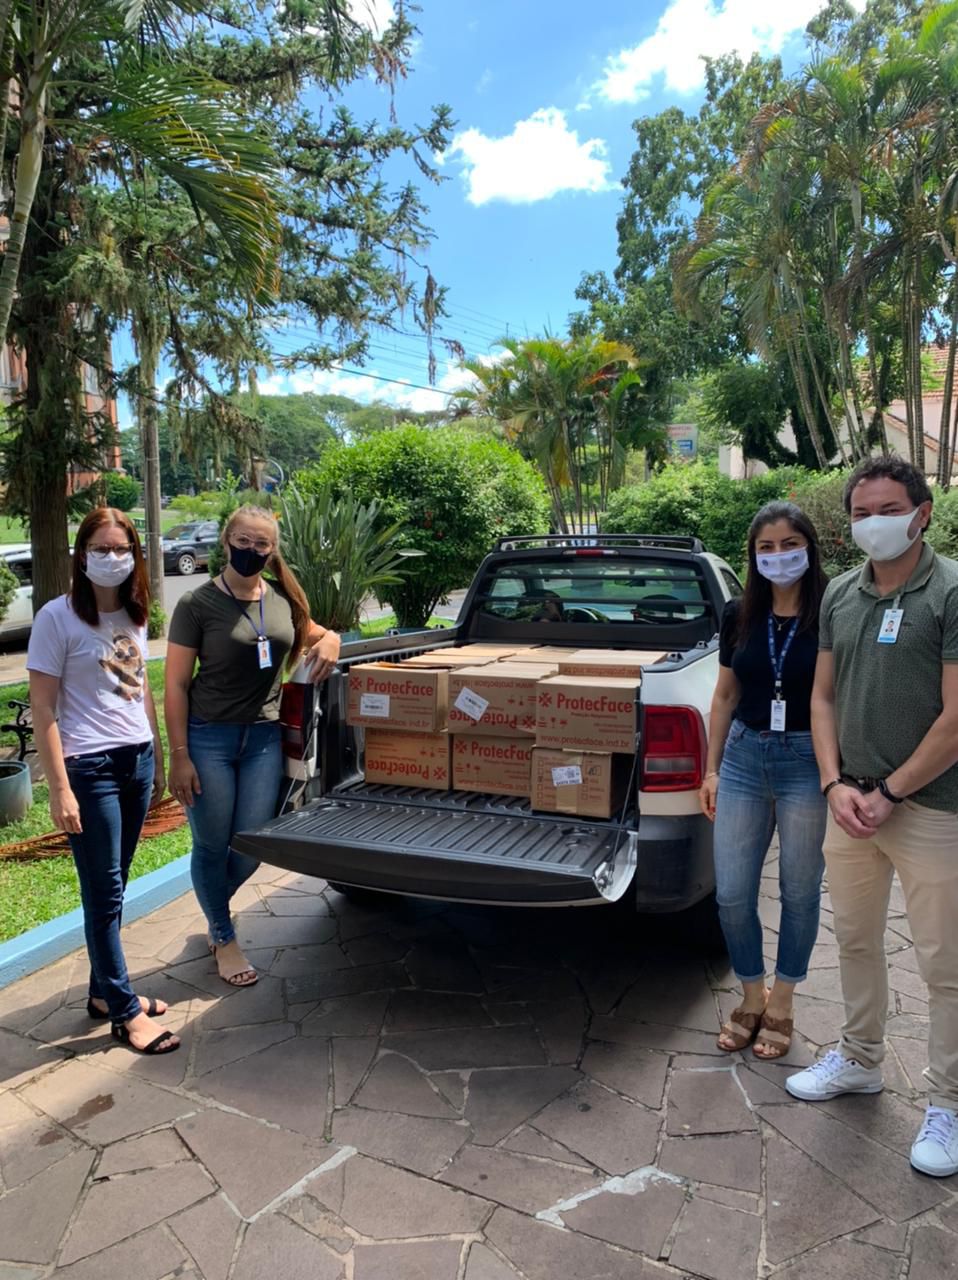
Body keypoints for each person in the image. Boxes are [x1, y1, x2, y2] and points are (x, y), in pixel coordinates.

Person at [786, 457, 958, 1177]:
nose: (873, 524)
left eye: (888, 509)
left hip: (930, 809)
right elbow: (822, 698)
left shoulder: (950, 591)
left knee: (945, 963)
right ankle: (859, 1059)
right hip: (849, 804)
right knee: (855, 941)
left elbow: (956, 719)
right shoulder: (842, 593)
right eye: (861, 513)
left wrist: (890, 792)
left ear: (922, 514)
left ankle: (949, 1103)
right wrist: (833, 783)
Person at [165, 505, 340, 987]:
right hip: (208, 738)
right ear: (226, 542)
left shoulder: (282, 600)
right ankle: (223, 936)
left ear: (272, 550)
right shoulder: (197, 604)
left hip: (263, 737)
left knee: (251, 843)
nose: (251, 550)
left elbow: (311, 633)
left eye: (261, 544)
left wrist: (331, 638)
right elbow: (175, 684)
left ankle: (214, 911)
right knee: (211, 843)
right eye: (242, 541)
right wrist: (179, 756)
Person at [28, 509, 176, 1056]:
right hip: (89, 769)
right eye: (101, 548)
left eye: (122, 548)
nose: (112, 558)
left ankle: (100, 992)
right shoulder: (57, 618)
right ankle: (123, 1010)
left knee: (115, 884)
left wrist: (157, 755)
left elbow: (139, 690)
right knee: (103, 890)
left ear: (135, 555)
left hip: (136, 761)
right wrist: (59, 789)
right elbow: (43, 709)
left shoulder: (135, 614)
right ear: (81, 554)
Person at [700, 502, 828, 1059]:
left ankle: (784, 1001)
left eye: (790, 544)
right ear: (753, 556)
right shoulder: (739, 613)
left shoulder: (832, 609)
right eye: (766, 548)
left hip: (807, 760)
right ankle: (752, 995)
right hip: (744, 758)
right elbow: (725, 695)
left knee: (799, 890)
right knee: (731, 894)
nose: (779, 556)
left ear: (809, 547)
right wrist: (710, 769)